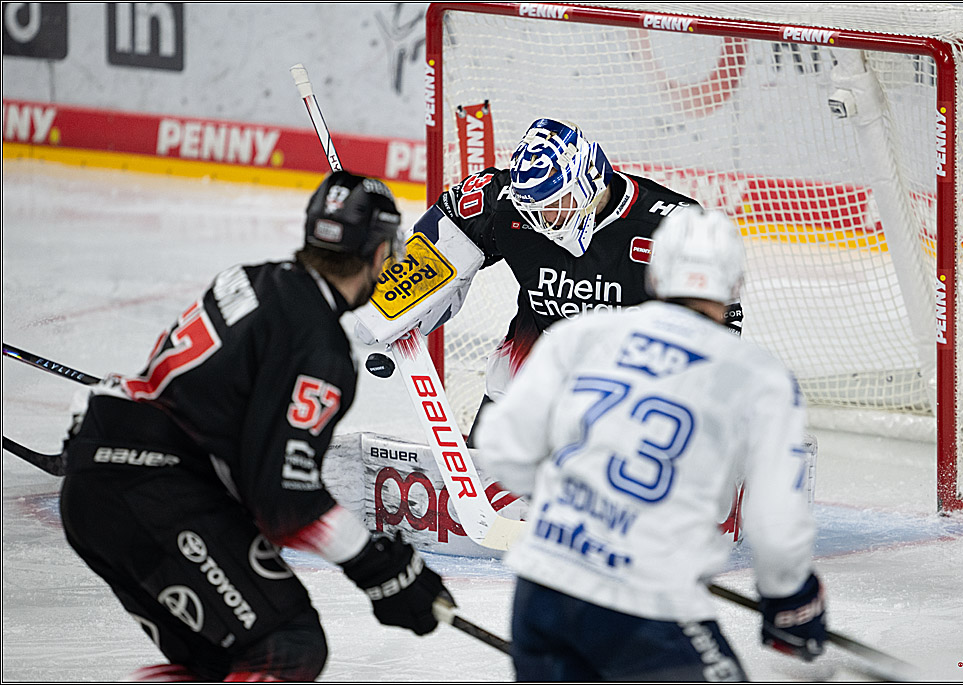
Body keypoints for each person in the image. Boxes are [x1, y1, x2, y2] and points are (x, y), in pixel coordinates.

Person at [57, 170, 452, 682]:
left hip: (103, 481)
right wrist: (379, 567)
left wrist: (383, 569)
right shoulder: (320, 347)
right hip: (152, 490)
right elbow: (284, 500)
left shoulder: (253, 277)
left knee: (220, 661)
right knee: (285, 645)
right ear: (379, 253)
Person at [473, 207, 826, 681]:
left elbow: (501, 448)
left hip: (543, 588)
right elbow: (775, 525)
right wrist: (792, 601)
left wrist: (576, 505)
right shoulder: (758, 377)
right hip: (648, 600)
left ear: (655, 274)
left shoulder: (580, 335)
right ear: (735, 285)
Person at [402, 117, 741, 441]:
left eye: (552, 204)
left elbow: (720, 323)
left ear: (588, 180)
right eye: (531, 208)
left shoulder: (674, 228)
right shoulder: (508, 207)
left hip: (627, 407)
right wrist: (394, 300)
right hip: (520, 392)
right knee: (479, 489)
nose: (540, 219)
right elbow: (445, 227)